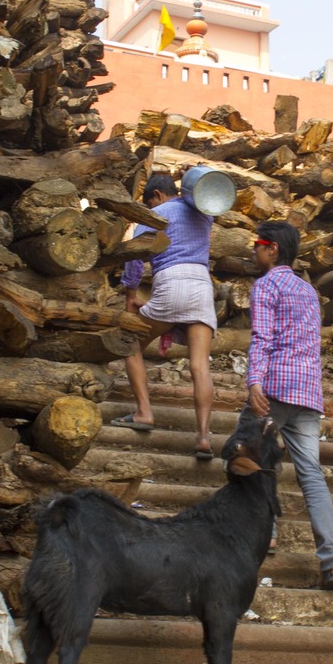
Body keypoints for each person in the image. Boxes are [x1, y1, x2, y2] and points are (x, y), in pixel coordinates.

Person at [247, 220, 333, 589]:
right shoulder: (307, 290)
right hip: (307, 391)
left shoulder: (266, 285)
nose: (253, 250)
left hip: (274, 387)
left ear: (272, 249)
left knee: (255, 461)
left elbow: (262, 337)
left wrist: (254, 380)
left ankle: (264, 536)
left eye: (257, 244)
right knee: (312, 476)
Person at [115, 173, 216, 459]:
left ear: (157, 195)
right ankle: (204, 437)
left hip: (171, 282)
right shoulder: (204, 212)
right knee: (200, 367)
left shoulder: (154, 215)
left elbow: (135, 257)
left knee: (130, 344)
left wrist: (131, 296)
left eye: (150, 202)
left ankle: (145, 412)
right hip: (201, 285)